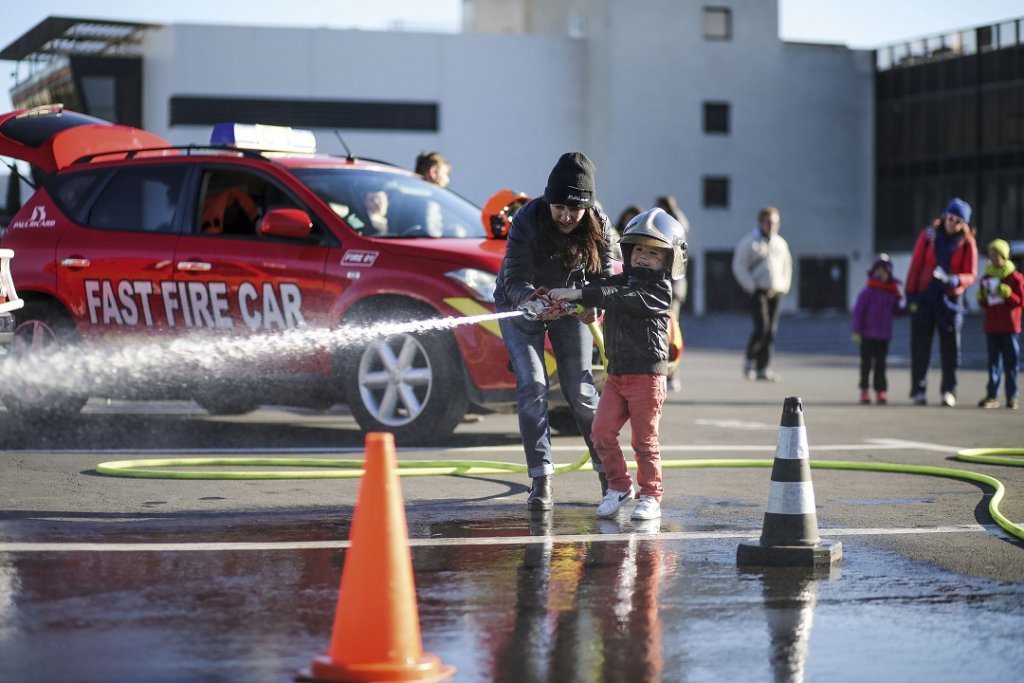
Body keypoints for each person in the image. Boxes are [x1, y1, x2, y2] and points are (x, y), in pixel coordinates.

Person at [494, 151, 616, 511]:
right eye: (558, 206)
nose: (565, 216)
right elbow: (513, 276)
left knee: (579, 389)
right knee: (533, 385)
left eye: (574, 210)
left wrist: (593, 302)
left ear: (588, 208)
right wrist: (529, 298)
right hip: (520, 302)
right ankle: (541, 477)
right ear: (548, 200)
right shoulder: (527, 219)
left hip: (570, 305)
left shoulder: (600, 225)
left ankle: (609, 475)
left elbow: (606, 279)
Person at [548, 207, 687, 521]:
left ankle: (651, 494)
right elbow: (609, 291)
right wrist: (580, 305)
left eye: (653, 252)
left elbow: (621, 297)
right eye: (638, 249)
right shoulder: (621, 282)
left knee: (644, 440)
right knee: (601, 432)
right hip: (617, 374)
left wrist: (582, 293)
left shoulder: (658, 291)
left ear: (669, 260)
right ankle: (619, 487)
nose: (642, 257)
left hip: (646, 377)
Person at [905, 198, 978, 407]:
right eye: (948, 216)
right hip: (924, 296)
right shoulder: (929, 236)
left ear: (962, 223)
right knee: (920, 346)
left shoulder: (967, 242)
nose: (950, 221)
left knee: (950, 348)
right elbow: (916, 265)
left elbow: (971, 274)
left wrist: (958, 280)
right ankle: (919, 389)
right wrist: (910, 295)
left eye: (955, 219)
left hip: (950, 298)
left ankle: (948, 390)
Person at [731, 205, 792, 381]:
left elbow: (787, 265)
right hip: (758, 291)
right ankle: (750, 360)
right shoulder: (750, 242)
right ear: (760, 222)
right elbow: (739, 266)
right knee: (761, 327)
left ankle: (763, 367)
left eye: (775, 222)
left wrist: (784, 285)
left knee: (771, 330)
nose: (772, 226)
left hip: (777, 290)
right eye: (768, 222)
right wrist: (750, 285)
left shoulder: (780, 243)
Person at [975, 239, 1023, 410]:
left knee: (1011, 363)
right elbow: (984, 305)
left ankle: (1012, 396)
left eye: (996, 254)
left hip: (1010, 327)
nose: (993, 258)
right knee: (993, 363)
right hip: (992, 327)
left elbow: (1021, 301)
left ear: (1004, 256)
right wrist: (981, 297)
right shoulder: (987, 278)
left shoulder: (1015, 278)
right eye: (991, 255)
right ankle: (992, 395)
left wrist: (1008, 294)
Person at [851, 255, 904, 405]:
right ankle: (864, 390)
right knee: (866, 364)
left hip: (883, 336)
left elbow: (896, 310)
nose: (880, 274)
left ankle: (881, 390)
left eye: (884, 271)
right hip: (867, 335)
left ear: (889, 273)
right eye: (878, 270)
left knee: (881, 365)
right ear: (873, 272)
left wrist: (908, 310)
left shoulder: (891, 293)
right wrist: (856, 331)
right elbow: (858, 313)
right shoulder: (867, 292)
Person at [655, 195, 690, 391]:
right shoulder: (658, 229)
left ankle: (671, 374)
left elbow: (683, 227)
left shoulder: (676, 230)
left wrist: (673, 212)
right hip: (658, 286)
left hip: (672, 289)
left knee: (670, 331)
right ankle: (662, 373)